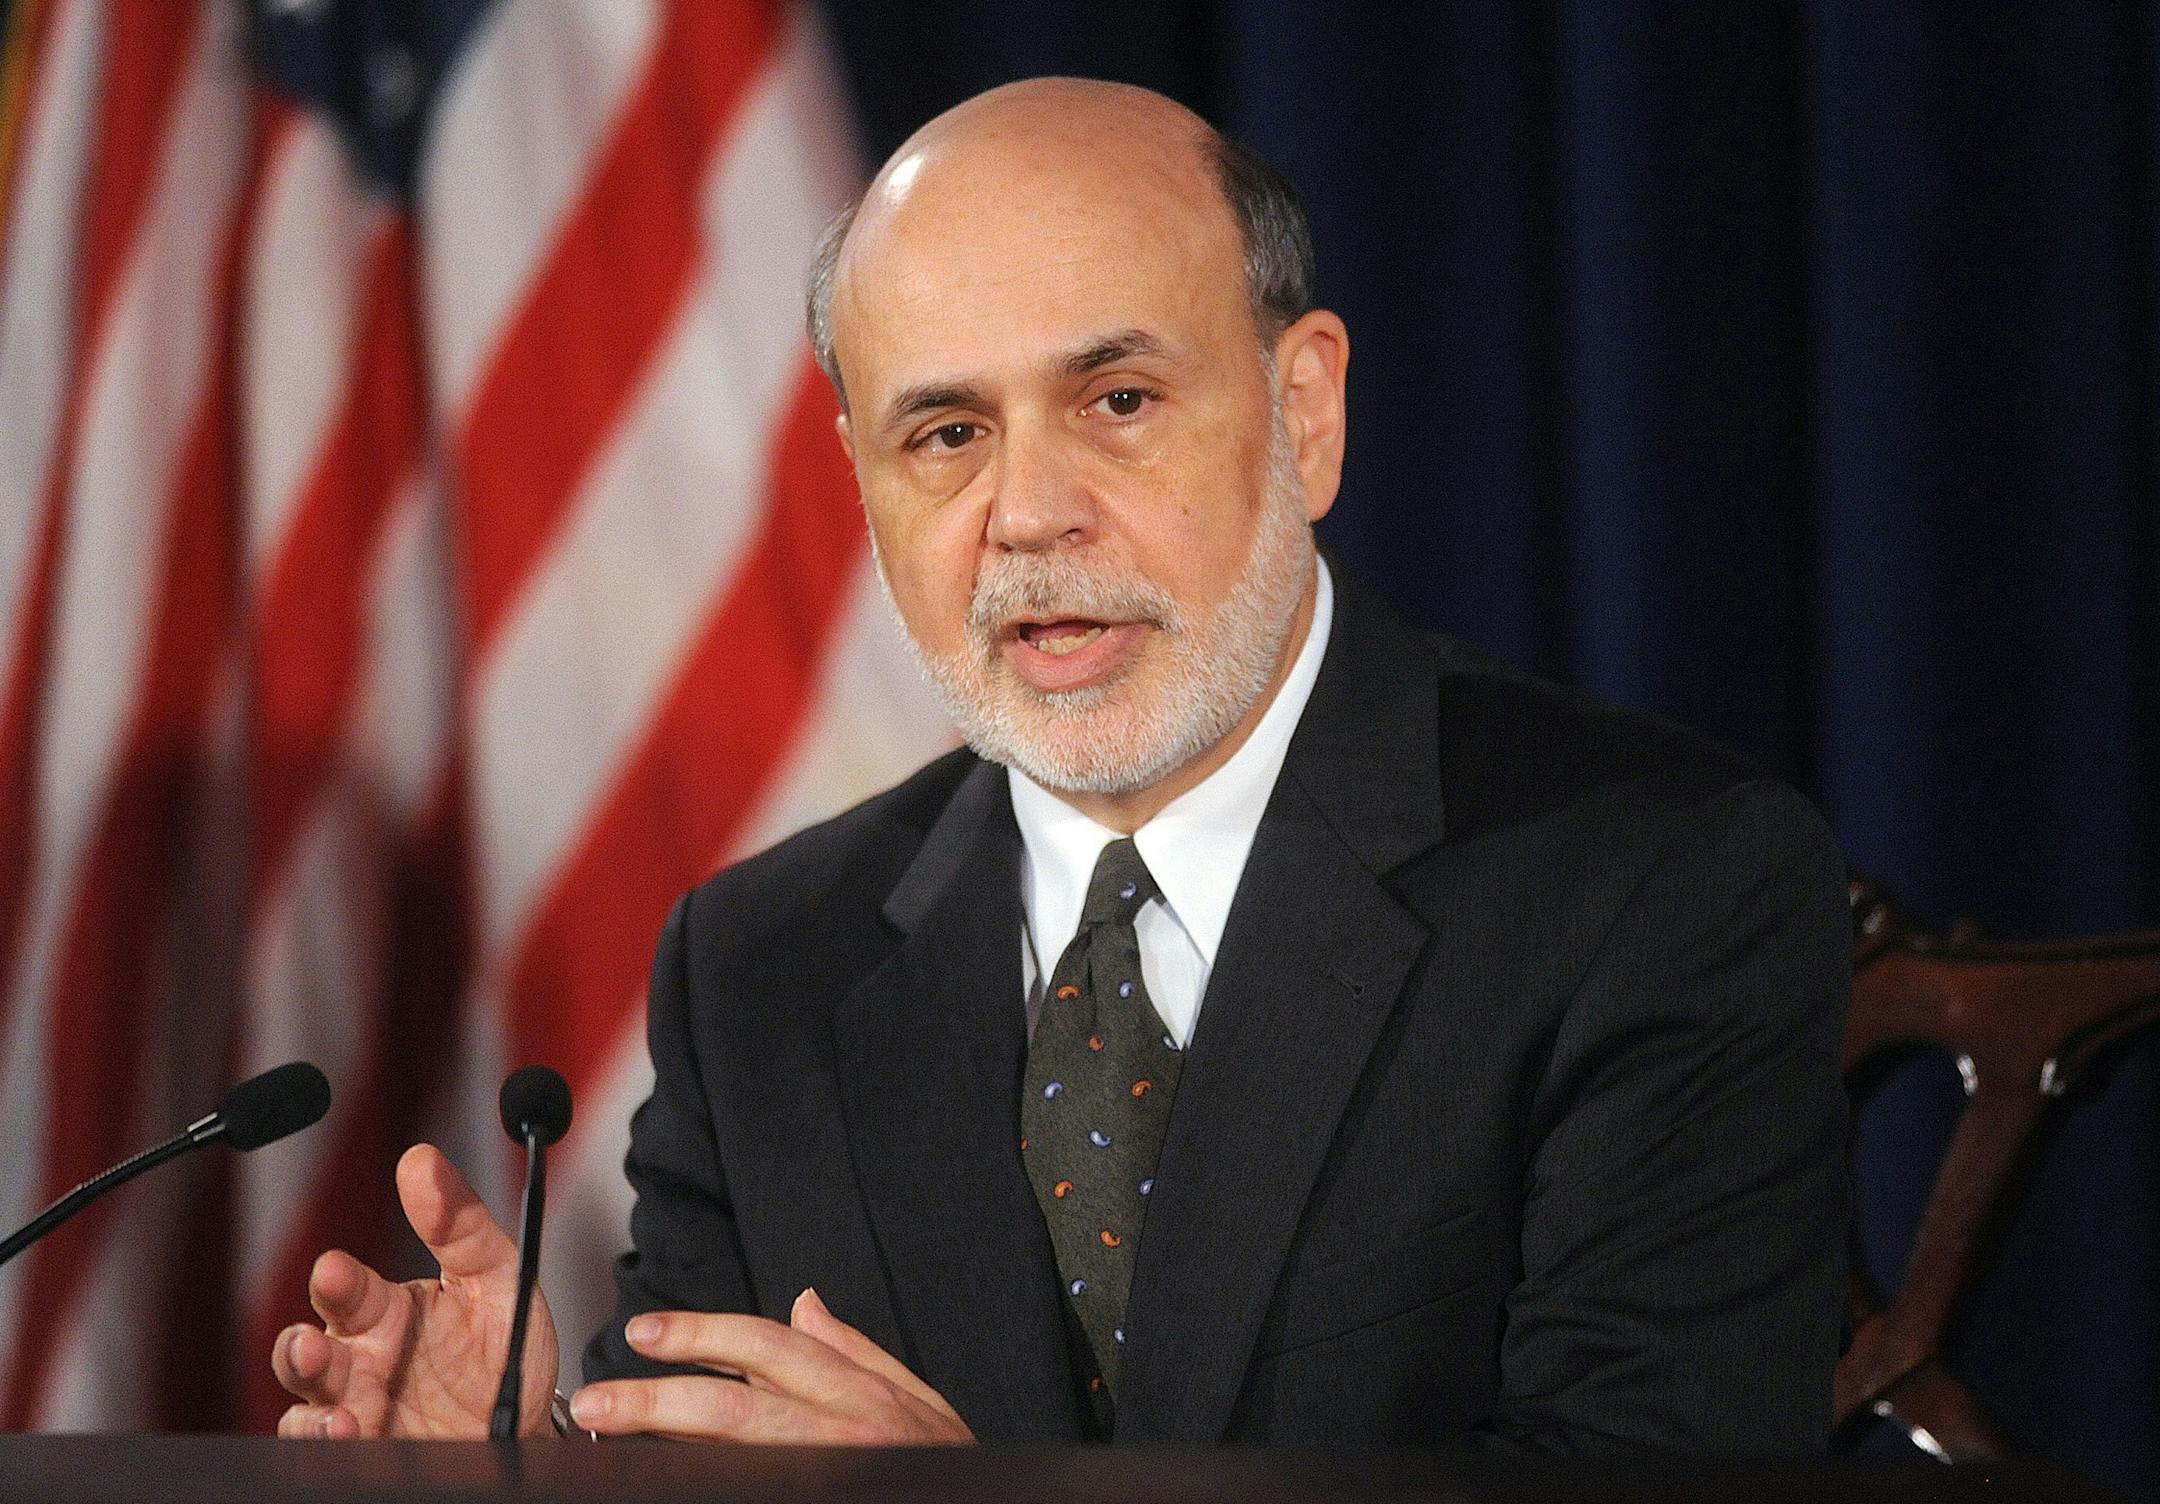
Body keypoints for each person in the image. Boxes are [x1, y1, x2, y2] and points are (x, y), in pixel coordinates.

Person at [271, 77, 1850, 1450]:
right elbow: (724, 1463)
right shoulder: (761, 970)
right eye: (945, 434)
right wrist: (531, 1459)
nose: (1029, 514)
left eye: (1116, 400)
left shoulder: (1657, 886)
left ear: (1306, 413)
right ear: (863, 485)